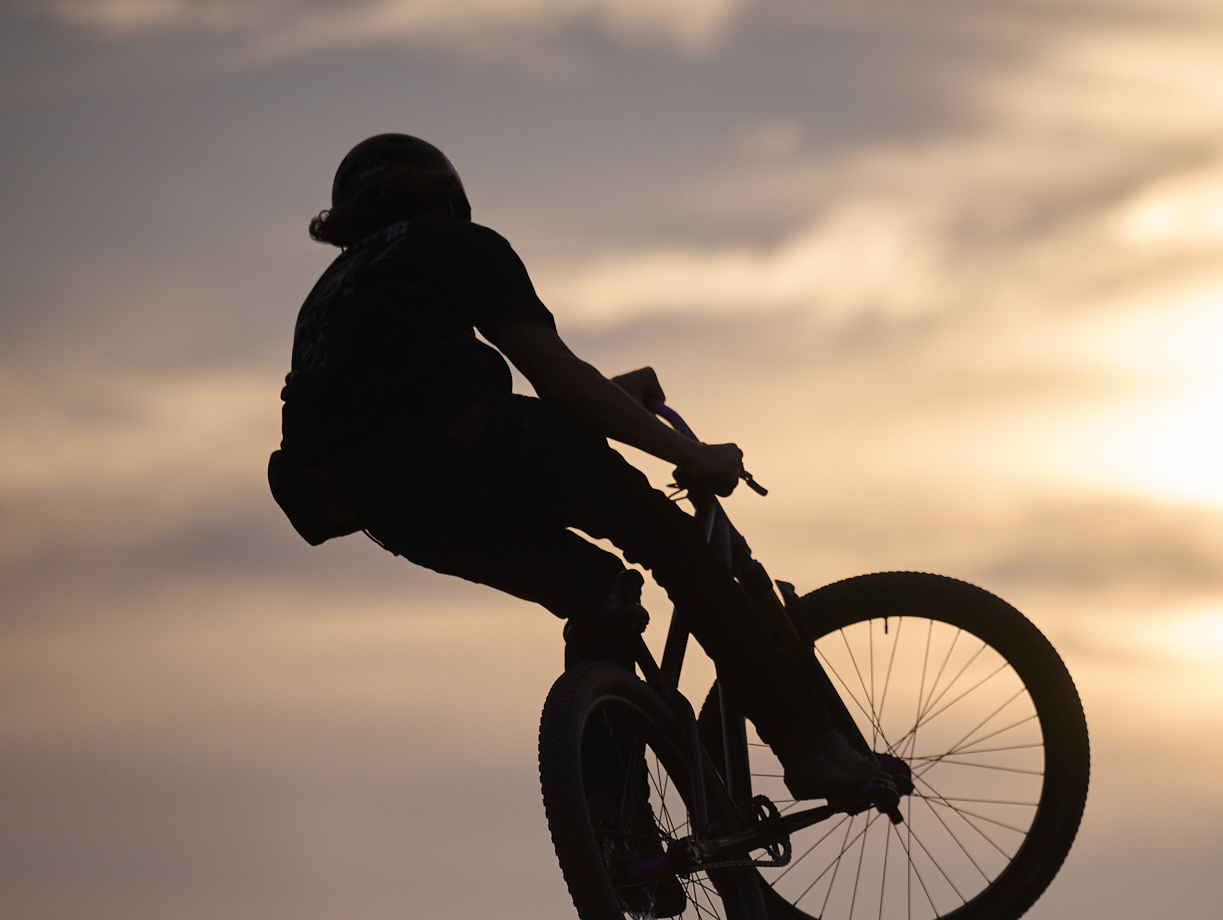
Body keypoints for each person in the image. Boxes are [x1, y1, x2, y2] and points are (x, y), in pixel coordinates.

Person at [269, 132, 889, 801]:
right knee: (672, 542)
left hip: (397, 515)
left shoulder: (322, 301)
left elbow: (418, 411)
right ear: (445, 193)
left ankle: (621, 835)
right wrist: (689, 454)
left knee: (597, 593)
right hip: (479, 446)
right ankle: (808, 739)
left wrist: (612, 398)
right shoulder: (452, 242)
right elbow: (555, 379)